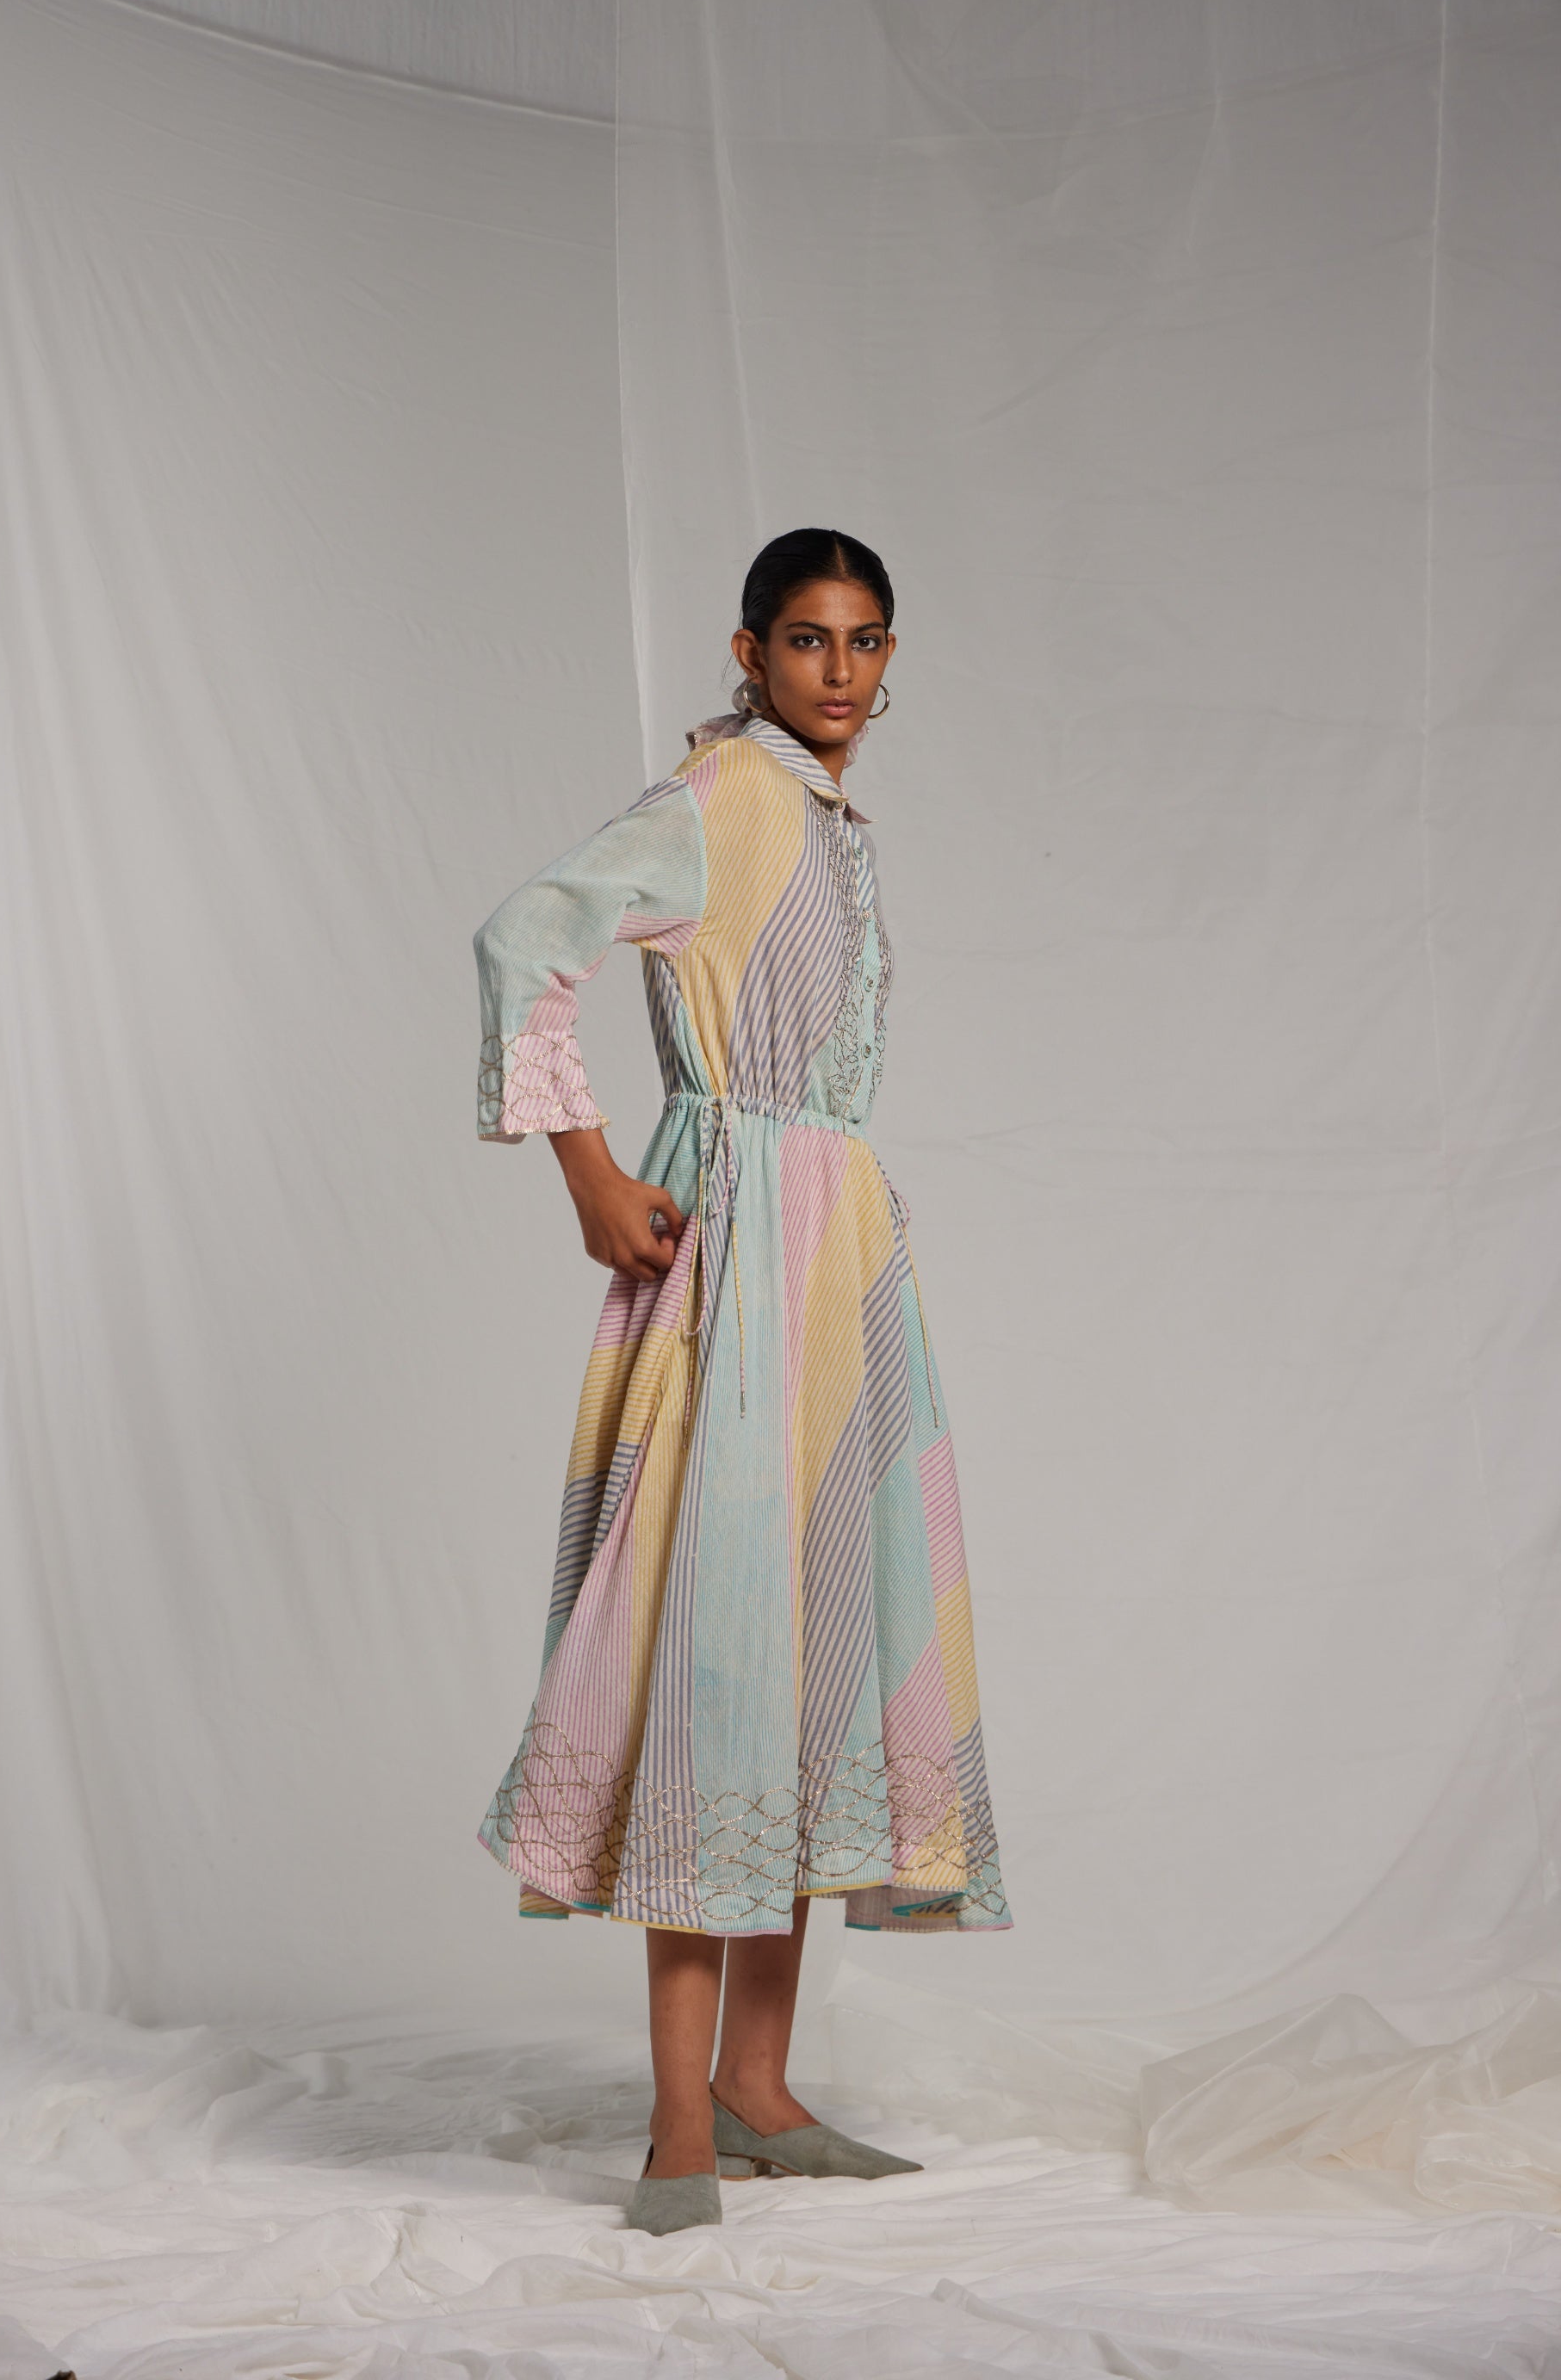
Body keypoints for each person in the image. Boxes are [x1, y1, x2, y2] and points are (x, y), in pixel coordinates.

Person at [473, 528, 1009, 2234]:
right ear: (750, 650)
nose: (840, 671)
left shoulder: (828, 818)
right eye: (807, 640)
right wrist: (586, 1175)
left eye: (867, 641)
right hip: (737, 1254)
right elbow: (522, 938)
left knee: (804, 1652)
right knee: (712, 1657)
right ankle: (676, 2123)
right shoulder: (722, 797)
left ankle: (760, 2092)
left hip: (837, 1254)